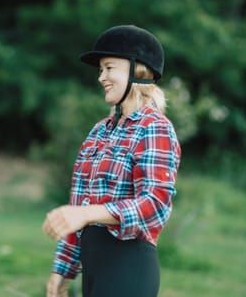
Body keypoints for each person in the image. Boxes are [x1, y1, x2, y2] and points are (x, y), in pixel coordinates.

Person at [42, 25, 181, 297]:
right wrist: (62, 270)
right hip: (93, 269)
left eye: (109, 68)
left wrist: (87, 213)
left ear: (137, 70)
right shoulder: (98, 131)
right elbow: (78, 207)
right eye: (100, 70)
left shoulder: (155, 127)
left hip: (129, 266)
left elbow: (155, 204)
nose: (101, 77)